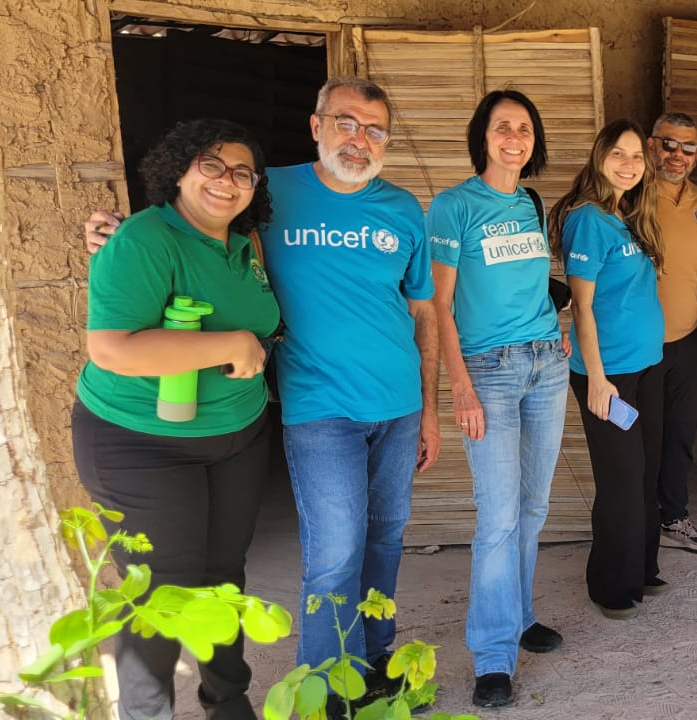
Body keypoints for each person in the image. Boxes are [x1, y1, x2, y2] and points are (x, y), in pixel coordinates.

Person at [86, 76, 442, 703]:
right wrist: (123, 232)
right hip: (318, 407)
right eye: (346, 122)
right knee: (335, 553)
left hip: (400, 404)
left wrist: (433, 410)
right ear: (316, 125)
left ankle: (374, 659)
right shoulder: (268, 190)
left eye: (375, 129)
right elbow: (188, 227)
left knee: (385, 540)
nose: (359, 139)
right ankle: (323, 688)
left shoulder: (404, 209)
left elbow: (424, 312)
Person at [74, 118, 278, 719]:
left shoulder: (244, 243)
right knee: (161, 591)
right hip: (142, 443)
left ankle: (227, 698)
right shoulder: (144, 238)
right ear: (179, 170)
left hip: (237, 437)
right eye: (210, 165)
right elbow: (112, 348)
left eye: (242, 172)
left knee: (223, 574)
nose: (226, 180)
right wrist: (233, 343)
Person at [427, 89, 567, 708]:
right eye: (502, 126)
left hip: (546, 366)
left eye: (525, 128)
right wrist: (458, 384)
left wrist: (558, 329)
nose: (515, 136)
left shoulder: (532, 202)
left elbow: (534, 283)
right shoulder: (454, 206)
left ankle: (519, 615)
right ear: (482, 136)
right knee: (499, 517)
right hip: (490, 372)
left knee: (534, 506)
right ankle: (491, 655)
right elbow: (438, 303)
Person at [548, 119, 667, 620]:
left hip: (648, 364)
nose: (629, 164)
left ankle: (640, 567)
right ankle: (610, 585)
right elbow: (582, 306)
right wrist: (596, 379)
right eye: (618, 154)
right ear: (599, 158)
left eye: (637, 156)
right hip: (608, 372)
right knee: (621, 478)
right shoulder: (589, 220)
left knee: (645, 474)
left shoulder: (629, 215)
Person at [646, 112, 697, 554]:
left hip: (686, 338)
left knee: (679, 433)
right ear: (651, 145)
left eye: (687, 147)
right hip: (639, 344)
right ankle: (638, 520)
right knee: (643, 436)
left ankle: (674, 517)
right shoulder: (631, 193)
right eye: (668, 144)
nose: (677, 155)